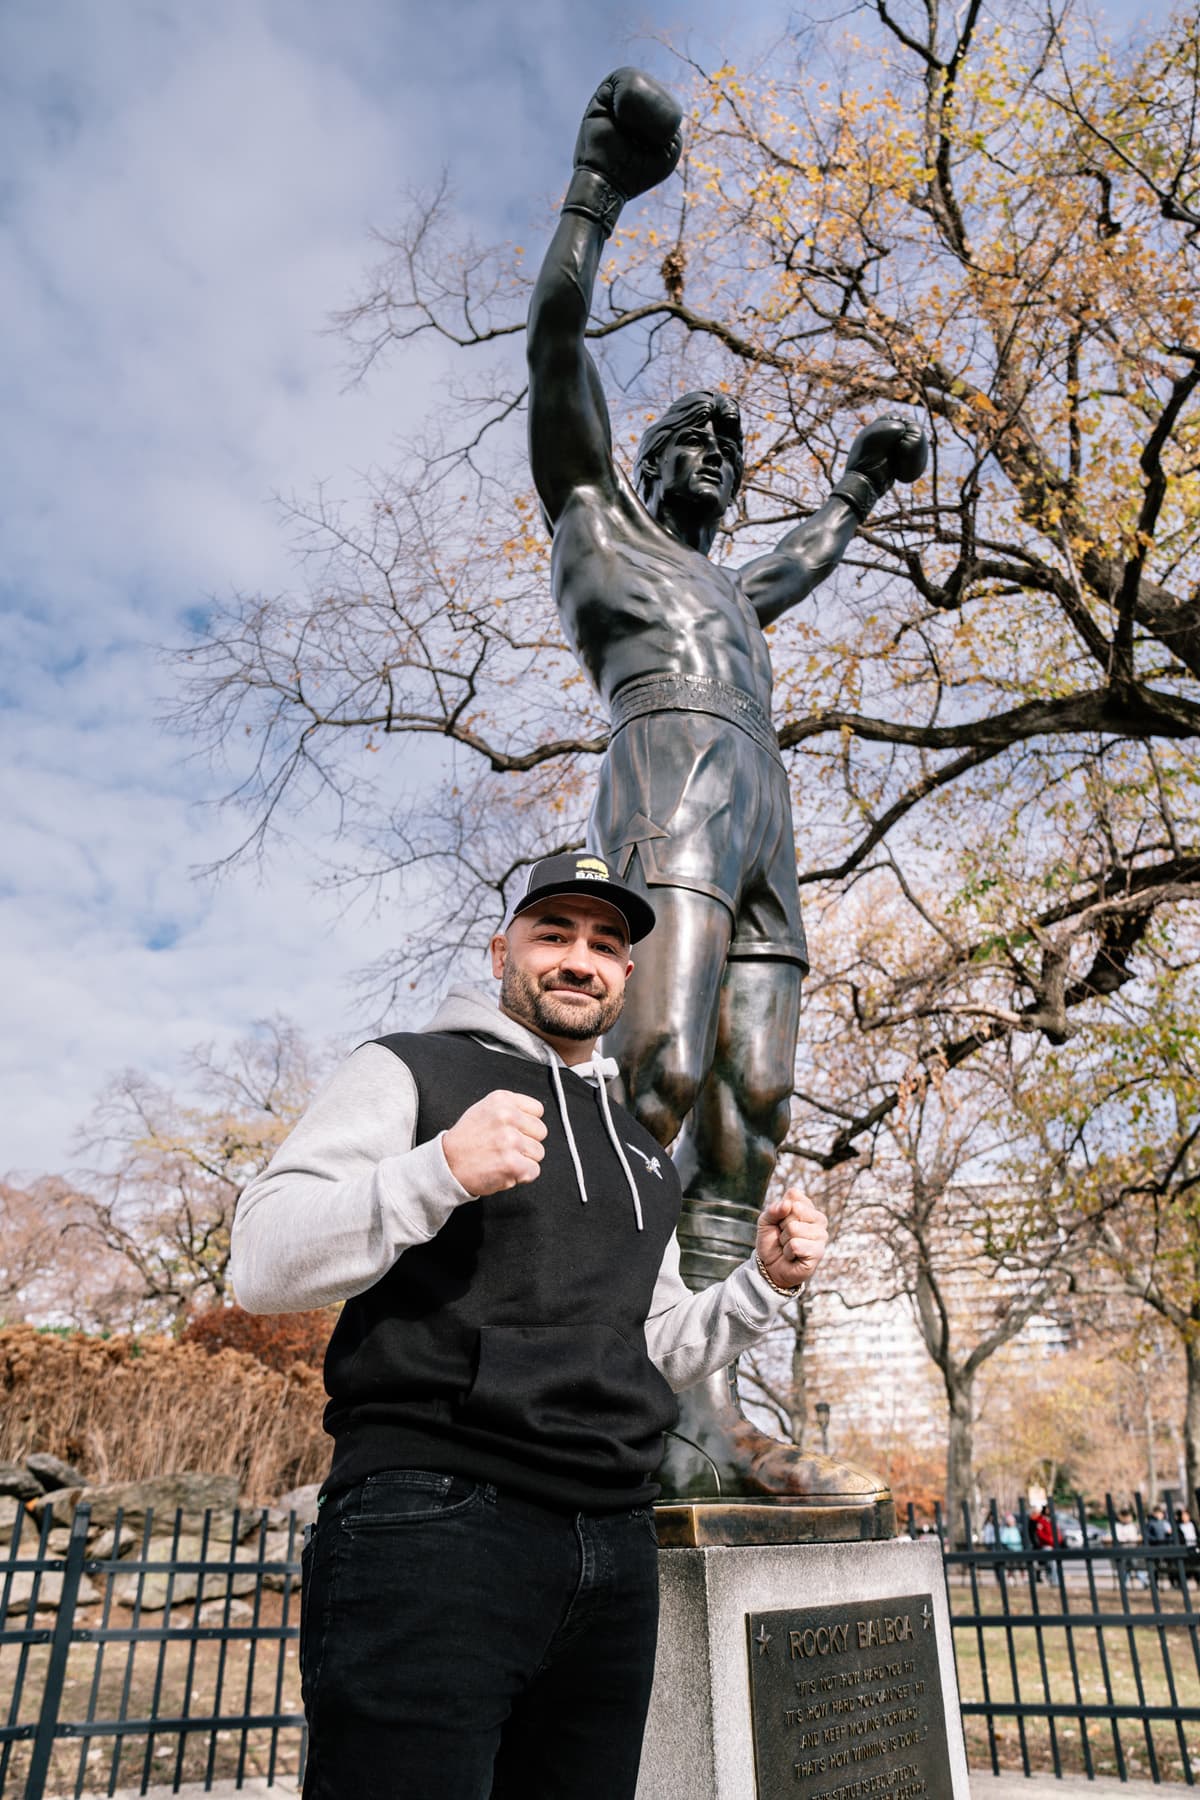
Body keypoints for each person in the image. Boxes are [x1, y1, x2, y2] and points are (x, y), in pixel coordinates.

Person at [526, 67, 927, 1501]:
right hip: (668, 769)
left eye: (733, 447)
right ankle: (591, 1391)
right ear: (641, 462)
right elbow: (556, 340)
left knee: (755, 1096)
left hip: (761, 806)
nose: (716, 452)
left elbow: (801, 561)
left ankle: (704, 1414)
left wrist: (860, 491)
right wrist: (599, 189)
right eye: (691, 435)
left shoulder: (738, 595)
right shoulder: (598, 521)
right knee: (661, 1070)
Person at [230, 850, 829, 1800]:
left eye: (606, 943)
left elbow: (653, 1344)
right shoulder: (408, 1067)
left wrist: (762, 1285)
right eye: (555, 933)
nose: (579, 959)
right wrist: (439, 1171)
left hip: (614, 1543)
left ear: (628, 976)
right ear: (504, 948)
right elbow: (261, 1259)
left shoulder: (640, 1148)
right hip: (436, 1520)